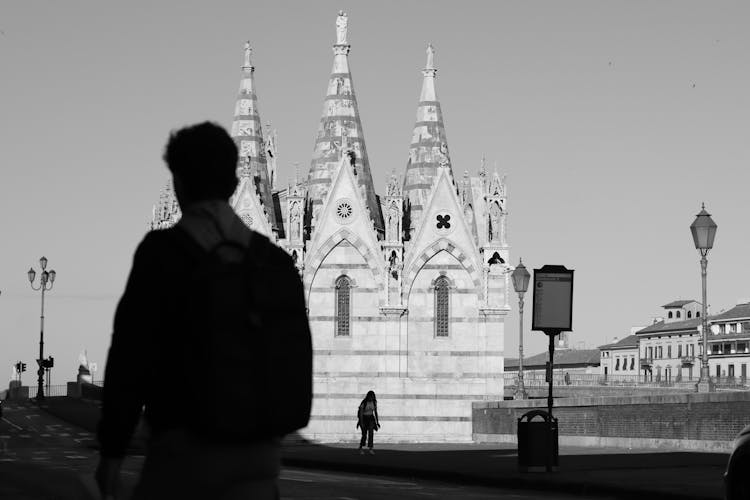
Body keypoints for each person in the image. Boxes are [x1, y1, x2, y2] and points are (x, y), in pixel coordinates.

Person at [95, 122, 312, 500]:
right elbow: (297, 370)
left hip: (182, 460)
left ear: (178, 185)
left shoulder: (161, 253)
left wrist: (112, 453)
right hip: (259, 461)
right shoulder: (275, 262)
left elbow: (128, 361)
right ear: (232, 183)